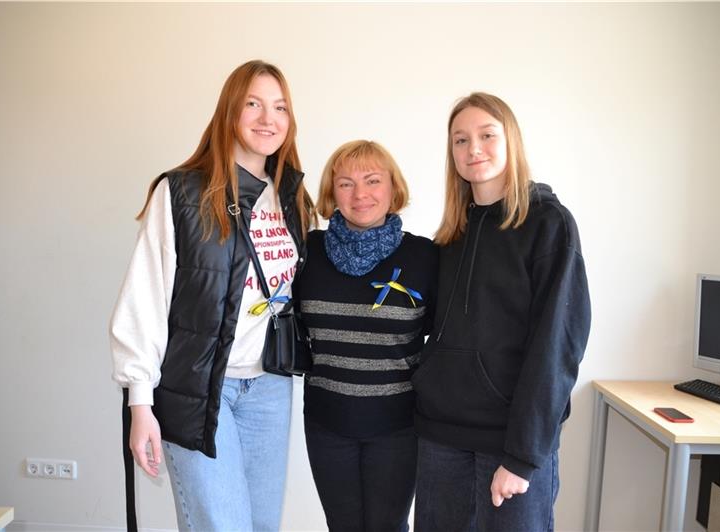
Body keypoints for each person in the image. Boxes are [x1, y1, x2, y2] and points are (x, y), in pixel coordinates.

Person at [109, 60, 316, 531]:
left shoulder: (292, 199)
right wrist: (140, 403)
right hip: (201, 389)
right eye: (254, 104)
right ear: (230, 112)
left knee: (261, 526)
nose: (269, 118)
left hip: (269, 388)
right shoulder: (182, 192)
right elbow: (146, 298)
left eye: (280, 107)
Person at [412, 93, 591, 531]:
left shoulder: (549, 224)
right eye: (460, 140)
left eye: (486, 135)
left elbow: (557, 347)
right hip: (441, 440)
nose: (473, 149)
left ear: (511, 140)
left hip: (510, 445)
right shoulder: (452, 235)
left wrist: (523, 456)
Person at [293, 140, 438, 532]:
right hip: (326, 423)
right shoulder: (308, 252)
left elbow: (441, 339)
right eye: (346, 183)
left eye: (373, 180)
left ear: (393, 188)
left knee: (388, 527)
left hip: (398, 427)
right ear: (331, 192)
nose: (360, 194)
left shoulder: (426, 257)